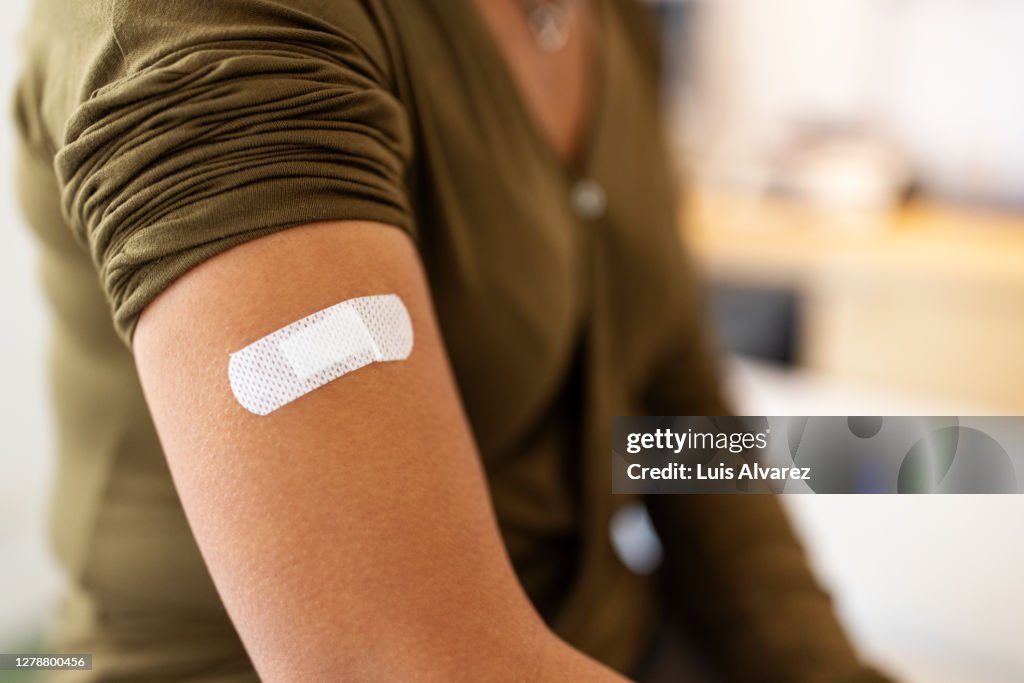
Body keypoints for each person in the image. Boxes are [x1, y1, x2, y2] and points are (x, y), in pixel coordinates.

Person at [14, 0, 891, 680]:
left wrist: (826, 668)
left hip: (601, 634)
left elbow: (673, 395)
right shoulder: (210, 24)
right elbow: (401, 664)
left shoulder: (598, 17)